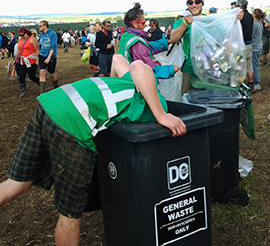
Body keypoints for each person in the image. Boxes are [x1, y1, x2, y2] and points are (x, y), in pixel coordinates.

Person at [0, 54, 186, 245]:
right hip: (73, 120)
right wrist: (161, 114)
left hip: (51, 102)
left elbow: (118, 59)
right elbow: (139, 65)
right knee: (70, 213)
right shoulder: (154, 97)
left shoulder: (127, 82)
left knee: (17, 184)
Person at [118, 2, 180, 79]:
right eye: (143, 23)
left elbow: (148, 47)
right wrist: (170, 69)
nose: (145, 25)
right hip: (136, 82)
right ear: (134, 24)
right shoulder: (137, 43)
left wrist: (168, 42)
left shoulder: (127, 36)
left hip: (126, 76)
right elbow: (149, 70)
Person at [170, 0, 205, 94]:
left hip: (207, 68)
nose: (194, 5)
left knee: (207, 99)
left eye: (197, 2)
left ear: (202, 3)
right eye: (190, 2)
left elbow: (224, 30)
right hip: (188, 69)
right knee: (186, 98)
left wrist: (235, 17)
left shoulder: (208, 20)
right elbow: (173, 38)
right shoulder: (181, 21)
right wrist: (185, 24)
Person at [15, 27, 40, 97]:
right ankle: (23, 90)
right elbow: (19, 50)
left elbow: (37, 50)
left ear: (26, 33)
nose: (21, 37)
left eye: (22, 35)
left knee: (32, 76)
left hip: (31, 61)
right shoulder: (20, 40)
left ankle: (41, 84)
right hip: (22, 61)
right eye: (20, 35)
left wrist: (37, 60)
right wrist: (15, 59)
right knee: (21, 75)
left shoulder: (32, 39)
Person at [236, 0, 254, 89]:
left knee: (240, 65)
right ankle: (251, 84)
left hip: (241, 44)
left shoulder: (240, 16)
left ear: (240, 6)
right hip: (249, 43)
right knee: (249, 65)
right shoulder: (250, 16)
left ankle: (241, 84)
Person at [38, 20, 58, 94]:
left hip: (51, 56)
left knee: (52, 74)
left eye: (40, 26)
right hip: (42, 55)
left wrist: (49, 57)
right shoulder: (41, 35)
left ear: (45, 26)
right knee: (42, 72)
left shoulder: (52, 34)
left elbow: (53, 46)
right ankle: (42, 94)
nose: (38, 27)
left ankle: (56, 88)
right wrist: (38, 56)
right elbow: (39, 46)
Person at [251, 8, 264, 91]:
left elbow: (251, 35)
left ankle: (257, 83)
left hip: (255, 47)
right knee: (256, 64)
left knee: (254, 65)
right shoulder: (260, 23)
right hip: (259, 46)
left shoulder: (255, 24)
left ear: (254, 15)